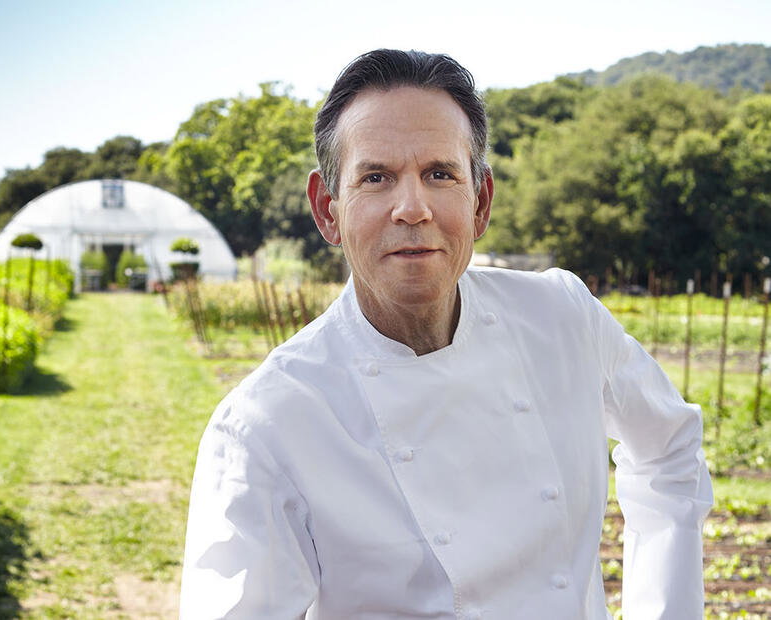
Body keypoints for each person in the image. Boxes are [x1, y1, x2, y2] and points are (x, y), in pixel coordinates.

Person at [179, 49, 712, 619]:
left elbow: (670, 452)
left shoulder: (562, 319)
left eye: (440, 174)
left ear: (479, 201)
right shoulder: (267, 423)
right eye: (376, 178)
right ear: (327, 209)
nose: (412, 208)